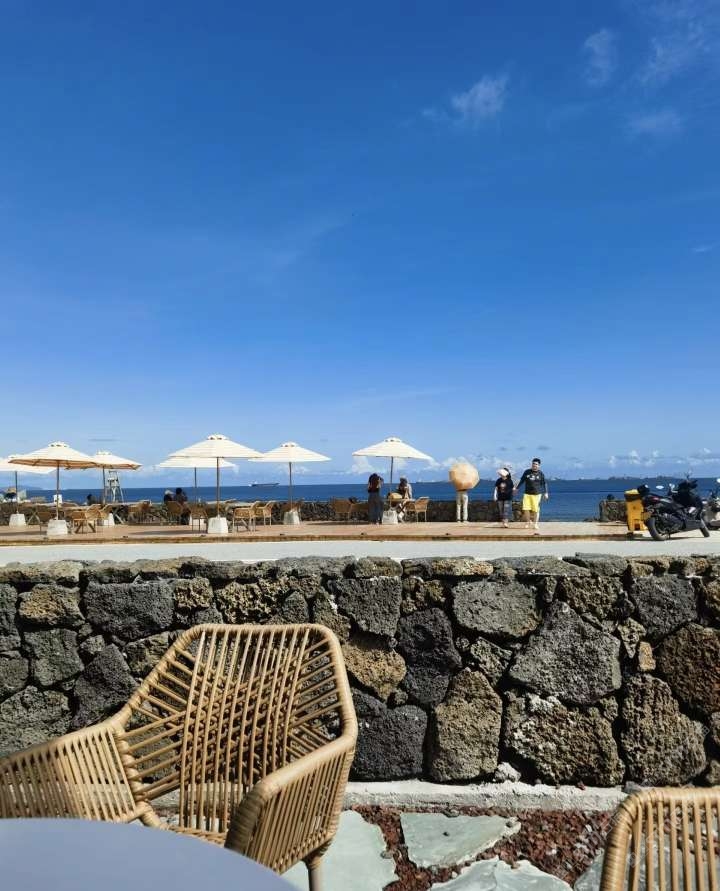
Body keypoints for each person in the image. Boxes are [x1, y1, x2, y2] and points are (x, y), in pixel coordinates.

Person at [514, 458, 549, 532]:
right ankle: (528, 522)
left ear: (539, 465)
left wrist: (546, 493)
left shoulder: (541, 473)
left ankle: (535, 523)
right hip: (527, 493)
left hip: (537, 494)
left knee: (536, 510)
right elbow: (522, 480)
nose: (534, 465)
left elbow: (544, 483)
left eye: (536, 464)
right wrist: (517, 488)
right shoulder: (527, 472)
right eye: (533, 464)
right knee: (526, 509)